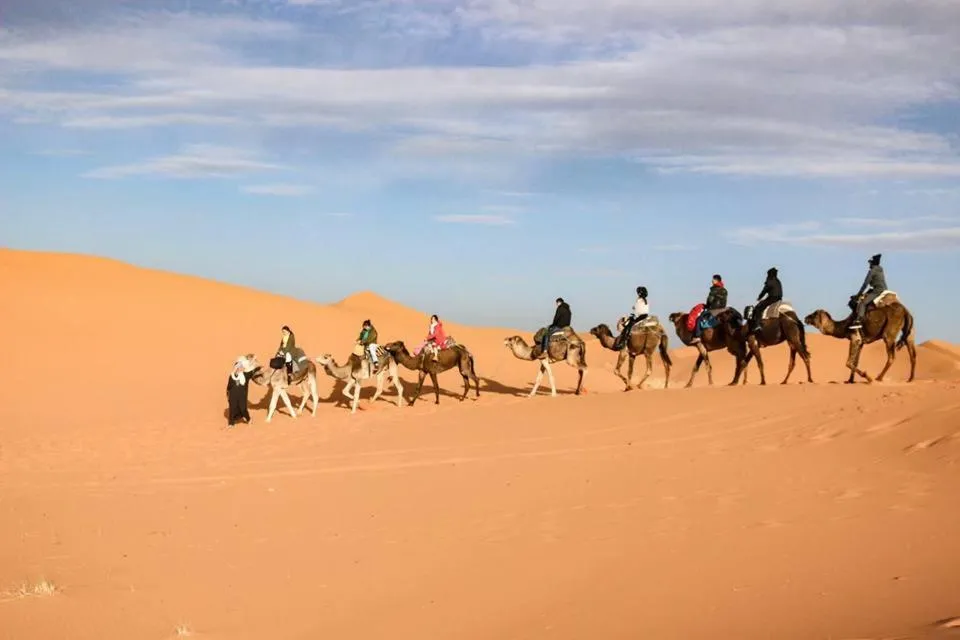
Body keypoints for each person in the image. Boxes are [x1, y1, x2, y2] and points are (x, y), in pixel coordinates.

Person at [851, 253, 887, 330]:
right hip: (883, 289)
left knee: (863, 303)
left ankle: (858, 321)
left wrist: (858, 295)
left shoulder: (872, 271)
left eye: (870, 262)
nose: (869, 264)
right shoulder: (880, 269)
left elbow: (865, 284)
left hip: (877, 290)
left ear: (872, 263)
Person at [613, 286, 649, 350]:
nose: (638, 294)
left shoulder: (639, 300)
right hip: (645, 316)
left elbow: (637, 311)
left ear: (640, 293)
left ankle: (622, 343)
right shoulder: (646, 301)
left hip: (639, 316)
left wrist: (634, 312)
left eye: (638, 293)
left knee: (627, 326)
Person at [749, 267, 782, 333]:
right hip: (779, 298)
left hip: (772, 298)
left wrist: (759, 297)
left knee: (758, 308)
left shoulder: (770, 281)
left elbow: (765, 290)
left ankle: (757, 325)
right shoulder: (777, 281)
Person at [225, 355, 255, 427]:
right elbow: (229, 386)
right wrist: (228, 394)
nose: (240, 368)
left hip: (242, 396)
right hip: (233, 396)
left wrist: (252, 361)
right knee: (232, 409)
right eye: (239, 367)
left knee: (243, 409)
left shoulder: (245, 376)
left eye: (241, 367)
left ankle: (248, 419)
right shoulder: (231, 376)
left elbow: (251, 371)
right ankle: (231, 424)